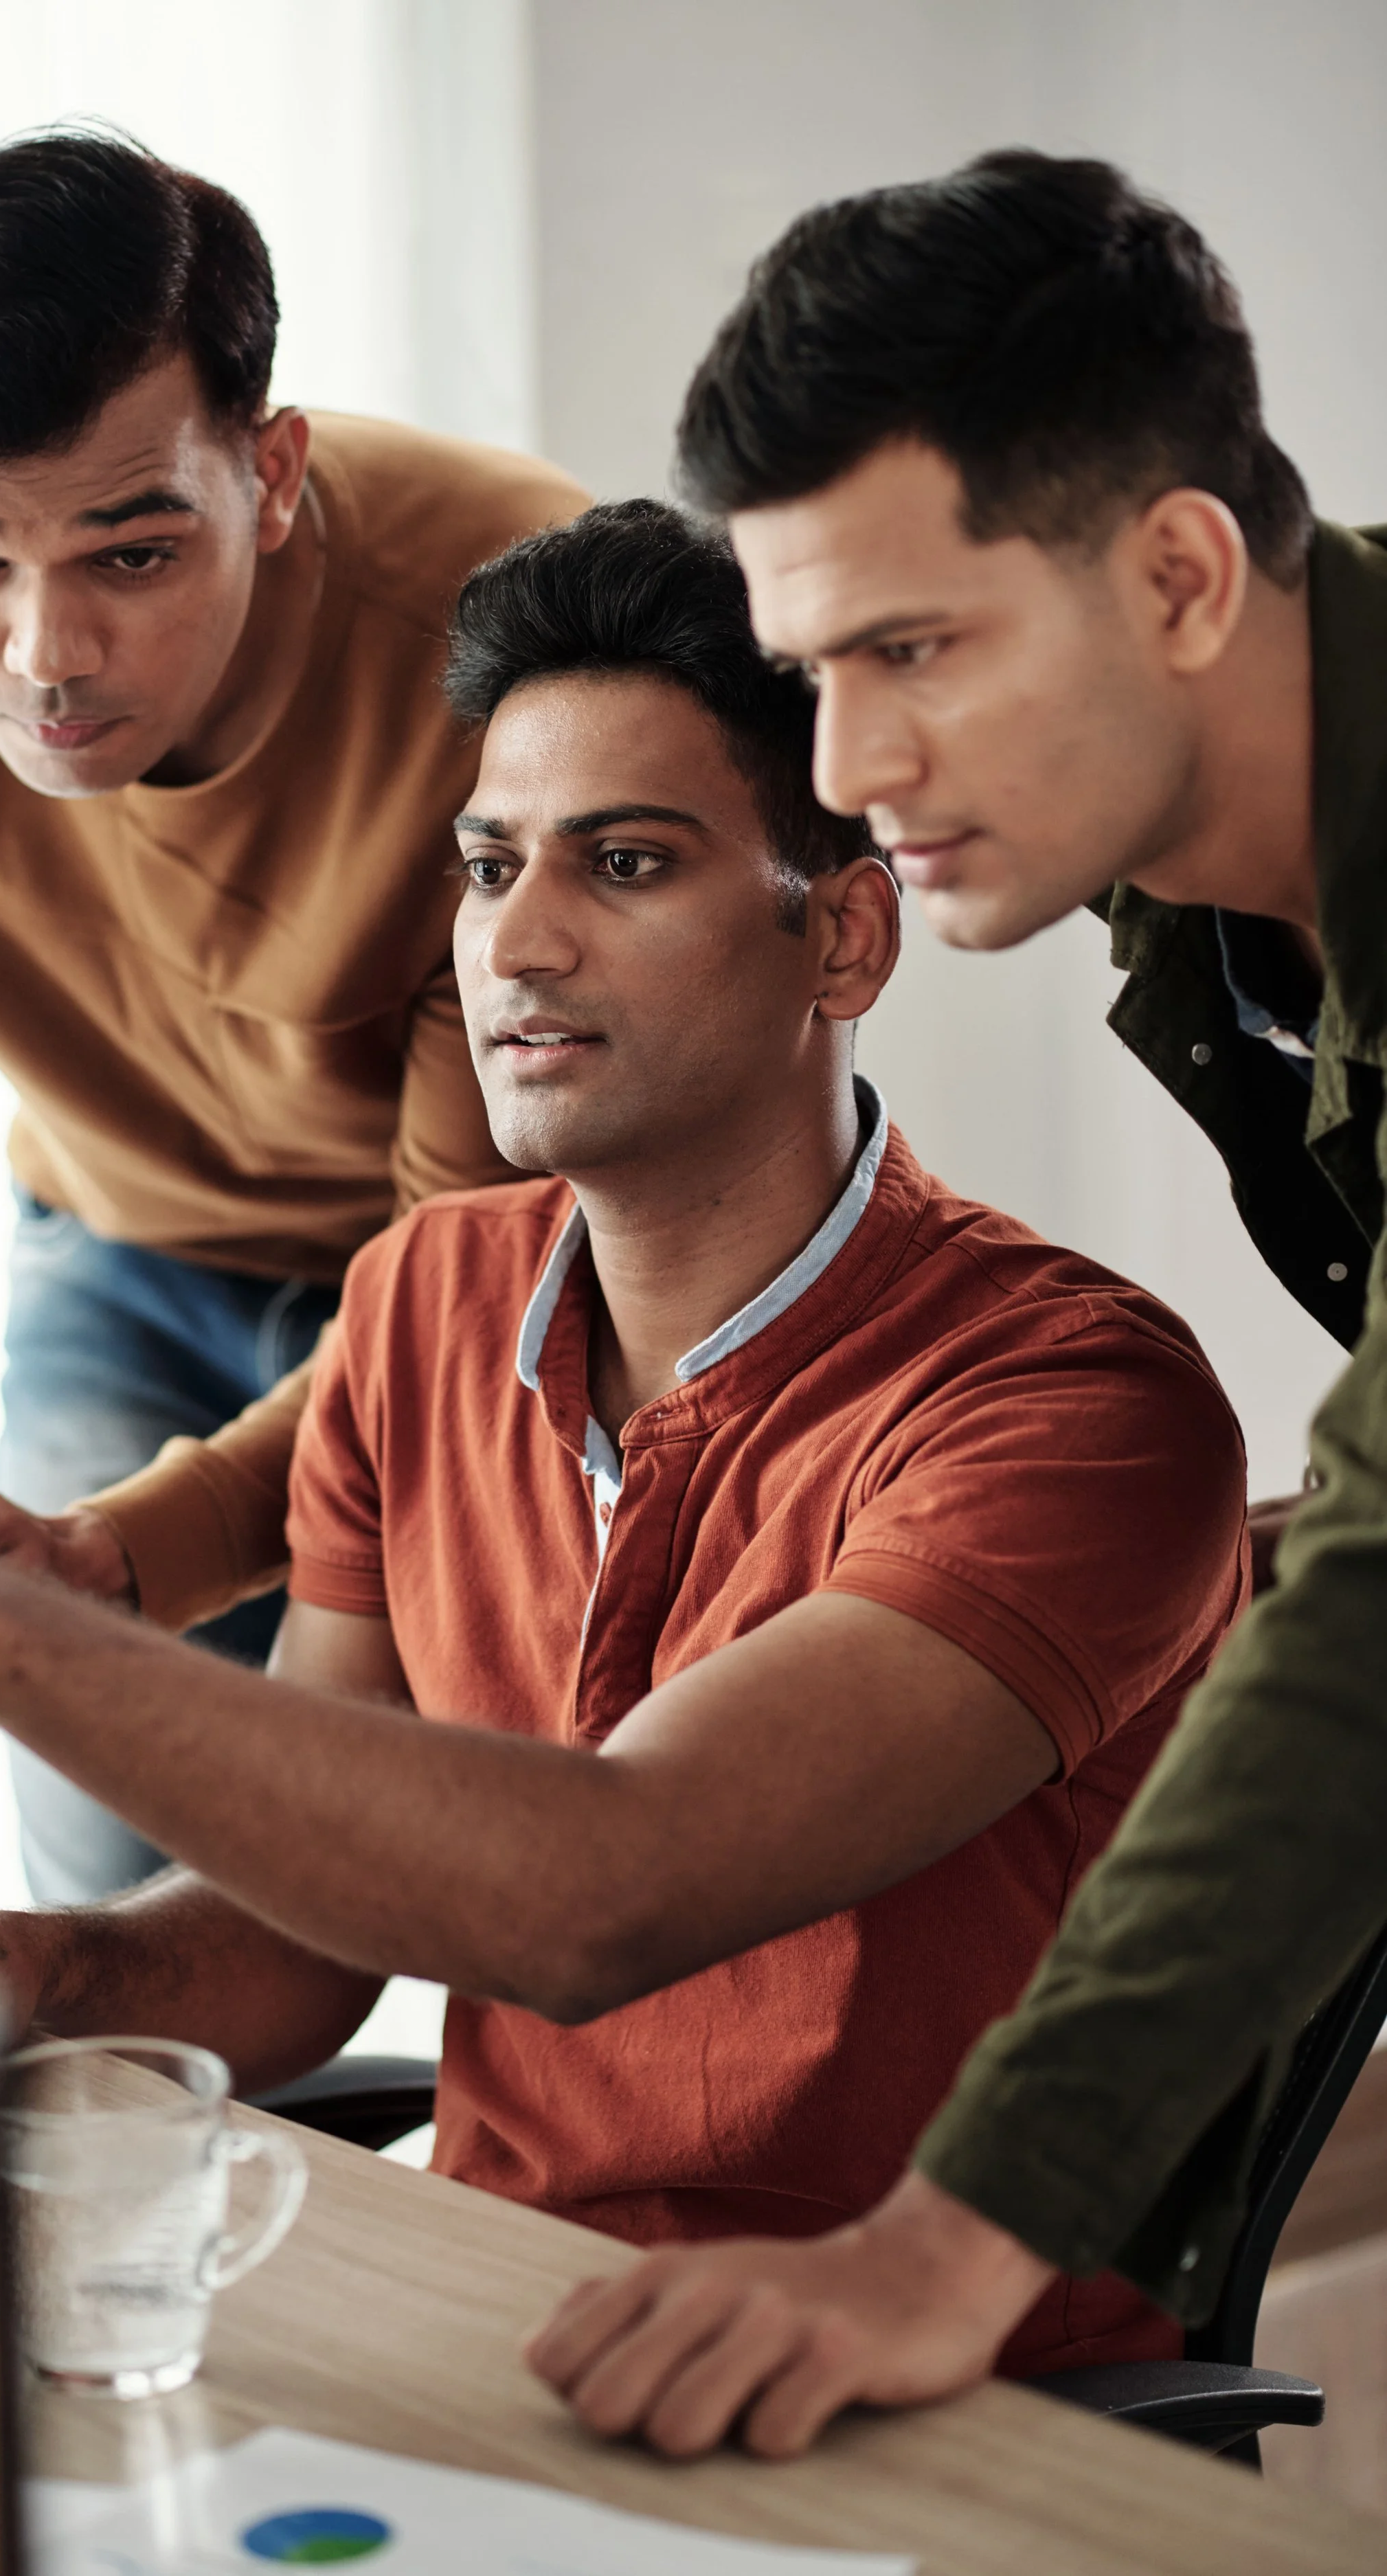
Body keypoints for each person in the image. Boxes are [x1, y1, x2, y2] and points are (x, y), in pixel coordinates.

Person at [0, 500, 1248, 2384]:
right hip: (502, 2320)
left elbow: (603, 1889)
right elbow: (306, 1931)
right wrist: (20, 1972)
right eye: (484, 863)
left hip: (923, 2396)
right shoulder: (420, 1305)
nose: (511, 942)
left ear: (842, 933)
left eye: (622, 863)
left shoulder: (1070, 1406)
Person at [530, 148, 1387, 2462]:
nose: (844, 773)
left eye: (912, 651)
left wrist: (957, 2231)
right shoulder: (1198, 892)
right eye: (812, 668)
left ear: (1181, 573)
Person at [0, 127, 584, 1903]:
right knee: (115, 1897)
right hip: (119, 1231)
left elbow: (474, 1279)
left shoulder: (507, 660)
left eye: (130, 556)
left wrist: (112, 1561)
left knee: (513, 1874)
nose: (42, 656)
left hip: (522, 1269)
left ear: (274, 467)